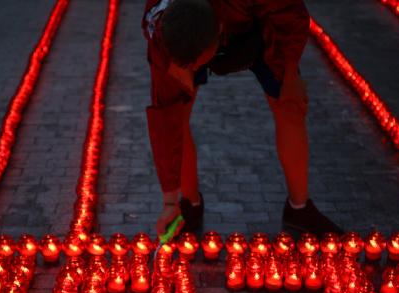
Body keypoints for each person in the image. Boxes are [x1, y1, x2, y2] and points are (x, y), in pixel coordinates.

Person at [143, 0, 342, 236]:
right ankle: (190, 203)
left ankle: (299, 208)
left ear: (219, 30)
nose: (193, 70)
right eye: (189, 66)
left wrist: (290, 73)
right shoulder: (162, 34)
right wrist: (169, 201)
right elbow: (166, 119)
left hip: (256, 23)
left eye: (196, 64)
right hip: (193, 36)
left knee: (291, 106)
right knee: (178, 111)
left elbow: (290, 13)